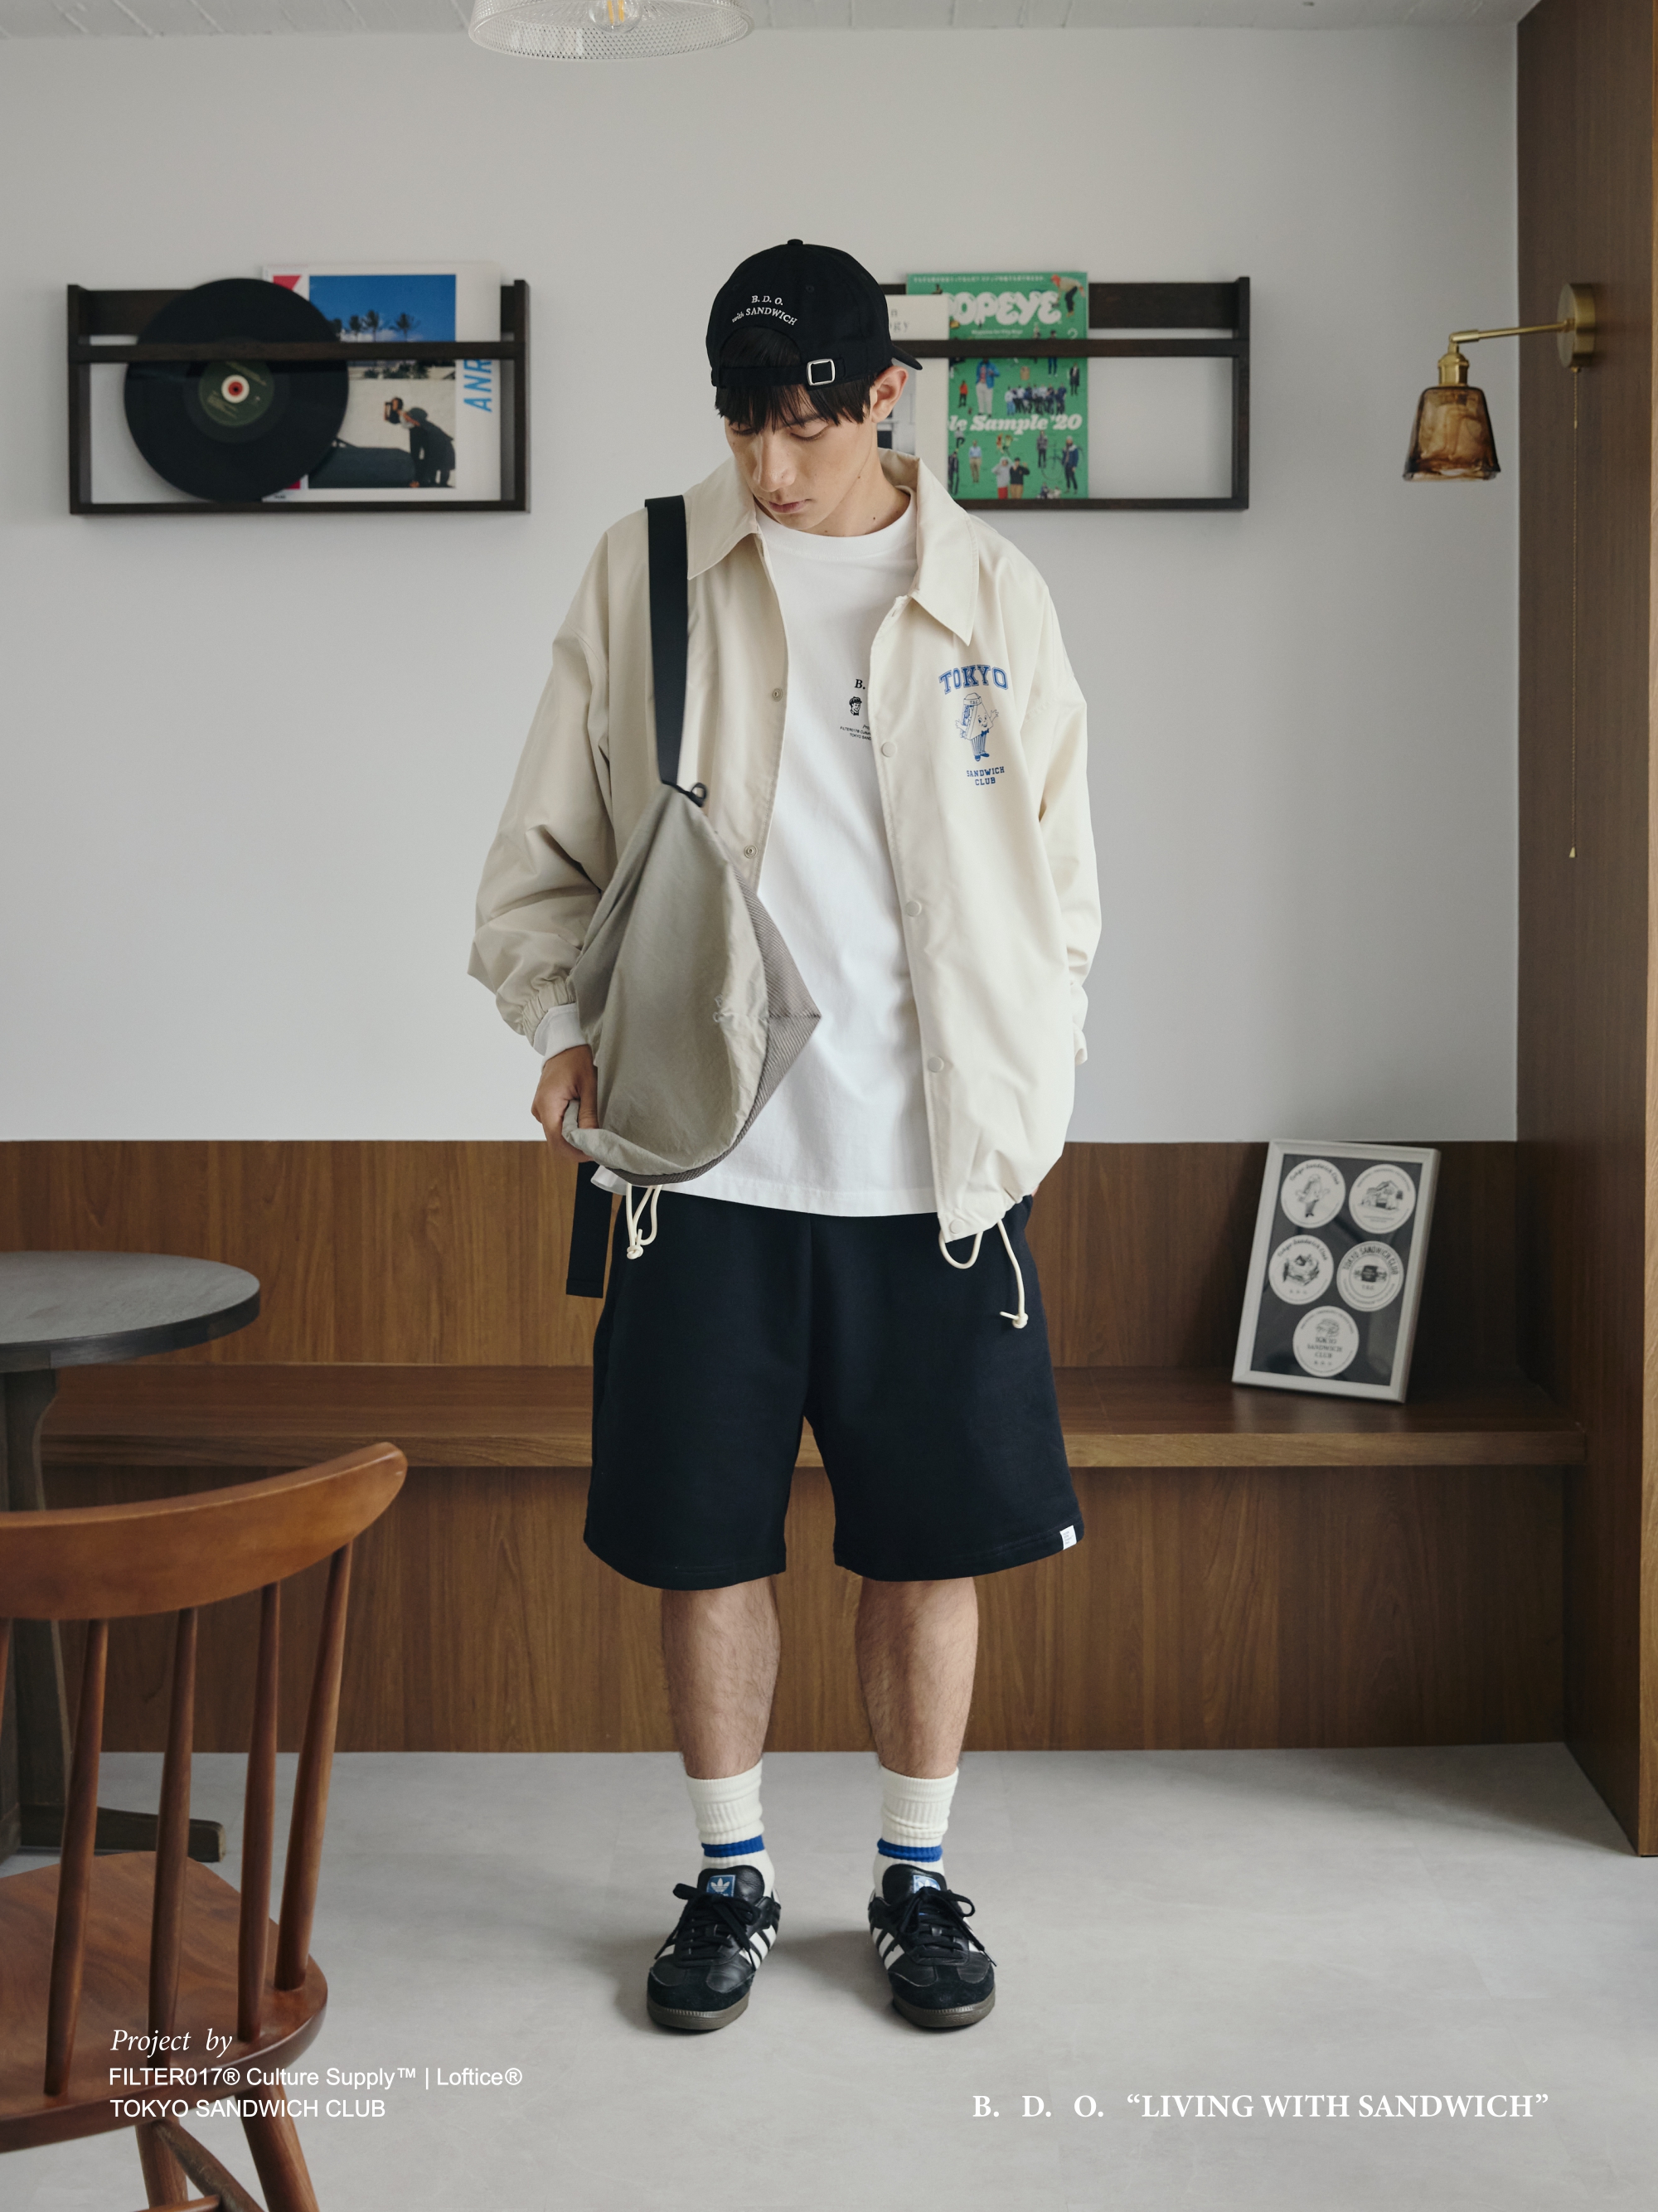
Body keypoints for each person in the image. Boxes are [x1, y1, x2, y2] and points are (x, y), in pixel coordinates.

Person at [470, 238, 1098, 2039]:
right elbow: (539, 856)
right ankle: (730, 1873)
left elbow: (1061, 888)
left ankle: (914, 1877)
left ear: (884, 394)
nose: (770, 462)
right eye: (743, 420)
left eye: (806, 424)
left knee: (929, 1546)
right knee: (703, 1543)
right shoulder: (650, 567)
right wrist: (562, 1026)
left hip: (934, 1174)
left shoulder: (991, 590)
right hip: (704, 1165)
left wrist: (1033, 1078)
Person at [403, 405, 455, 488]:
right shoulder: (417, 429)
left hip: (442, 449)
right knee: (433, 468)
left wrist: (418, 480)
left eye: (409, 417)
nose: (406, 418)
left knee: (440, 467)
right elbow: (416, 453)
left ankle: (438, 483)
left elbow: (419, 453)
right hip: (437, 450)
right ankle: (433, 482)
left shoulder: (424, 429)